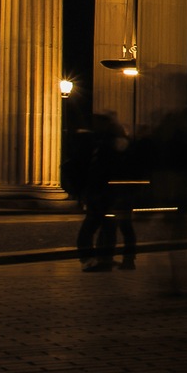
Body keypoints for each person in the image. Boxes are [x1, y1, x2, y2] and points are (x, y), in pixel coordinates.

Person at [73, 112, 137, 271]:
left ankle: (93, 259)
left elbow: (96, 170)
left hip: (104, 193)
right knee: (114, 227)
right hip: (116, 193)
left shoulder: (103, 145)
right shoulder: (120, 145)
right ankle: (109, 259)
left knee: (92, 228)